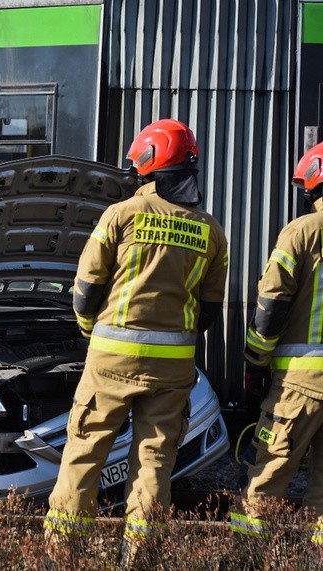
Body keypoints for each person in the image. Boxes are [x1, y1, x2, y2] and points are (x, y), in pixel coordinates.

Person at [42, 119, 229, 563]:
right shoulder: (210, 230)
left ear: (148, 163)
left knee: (84, 454)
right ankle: (140, 558)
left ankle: (60, 557)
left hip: (110, 361)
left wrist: (92, 333)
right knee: (154, 465)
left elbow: (85, 292)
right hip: (173, 370)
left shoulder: (120, 215)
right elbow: (209, 313)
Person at [230, 141, 323, 545]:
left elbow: (270, 307)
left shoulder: (303, 231)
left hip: (299, 388)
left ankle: (245, 558)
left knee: (262, 479)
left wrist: (255, 361)